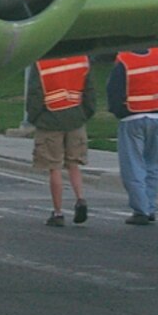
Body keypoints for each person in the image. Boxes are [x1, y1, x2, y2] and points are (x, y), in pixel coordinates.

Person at [107, 45, 158, 225]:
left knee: (133, 166)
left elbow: (114, 91)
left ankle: (141, 210)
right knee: (152, 165)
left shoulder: (124, 59)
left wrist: (119, 111)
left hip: (133, 117)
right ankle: (150, 206)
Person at [26, 54, 93, 226]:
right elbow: (89, 92)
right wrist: (84, 114)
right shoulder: (81, 59)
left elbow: (35, 95)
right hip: (76, 118)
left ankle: (58, 213)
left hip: (50, 120)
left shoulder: (42, 64)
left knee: (54, 167)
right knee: (74, 163)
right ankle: (80, 198)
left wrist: (34, 118)